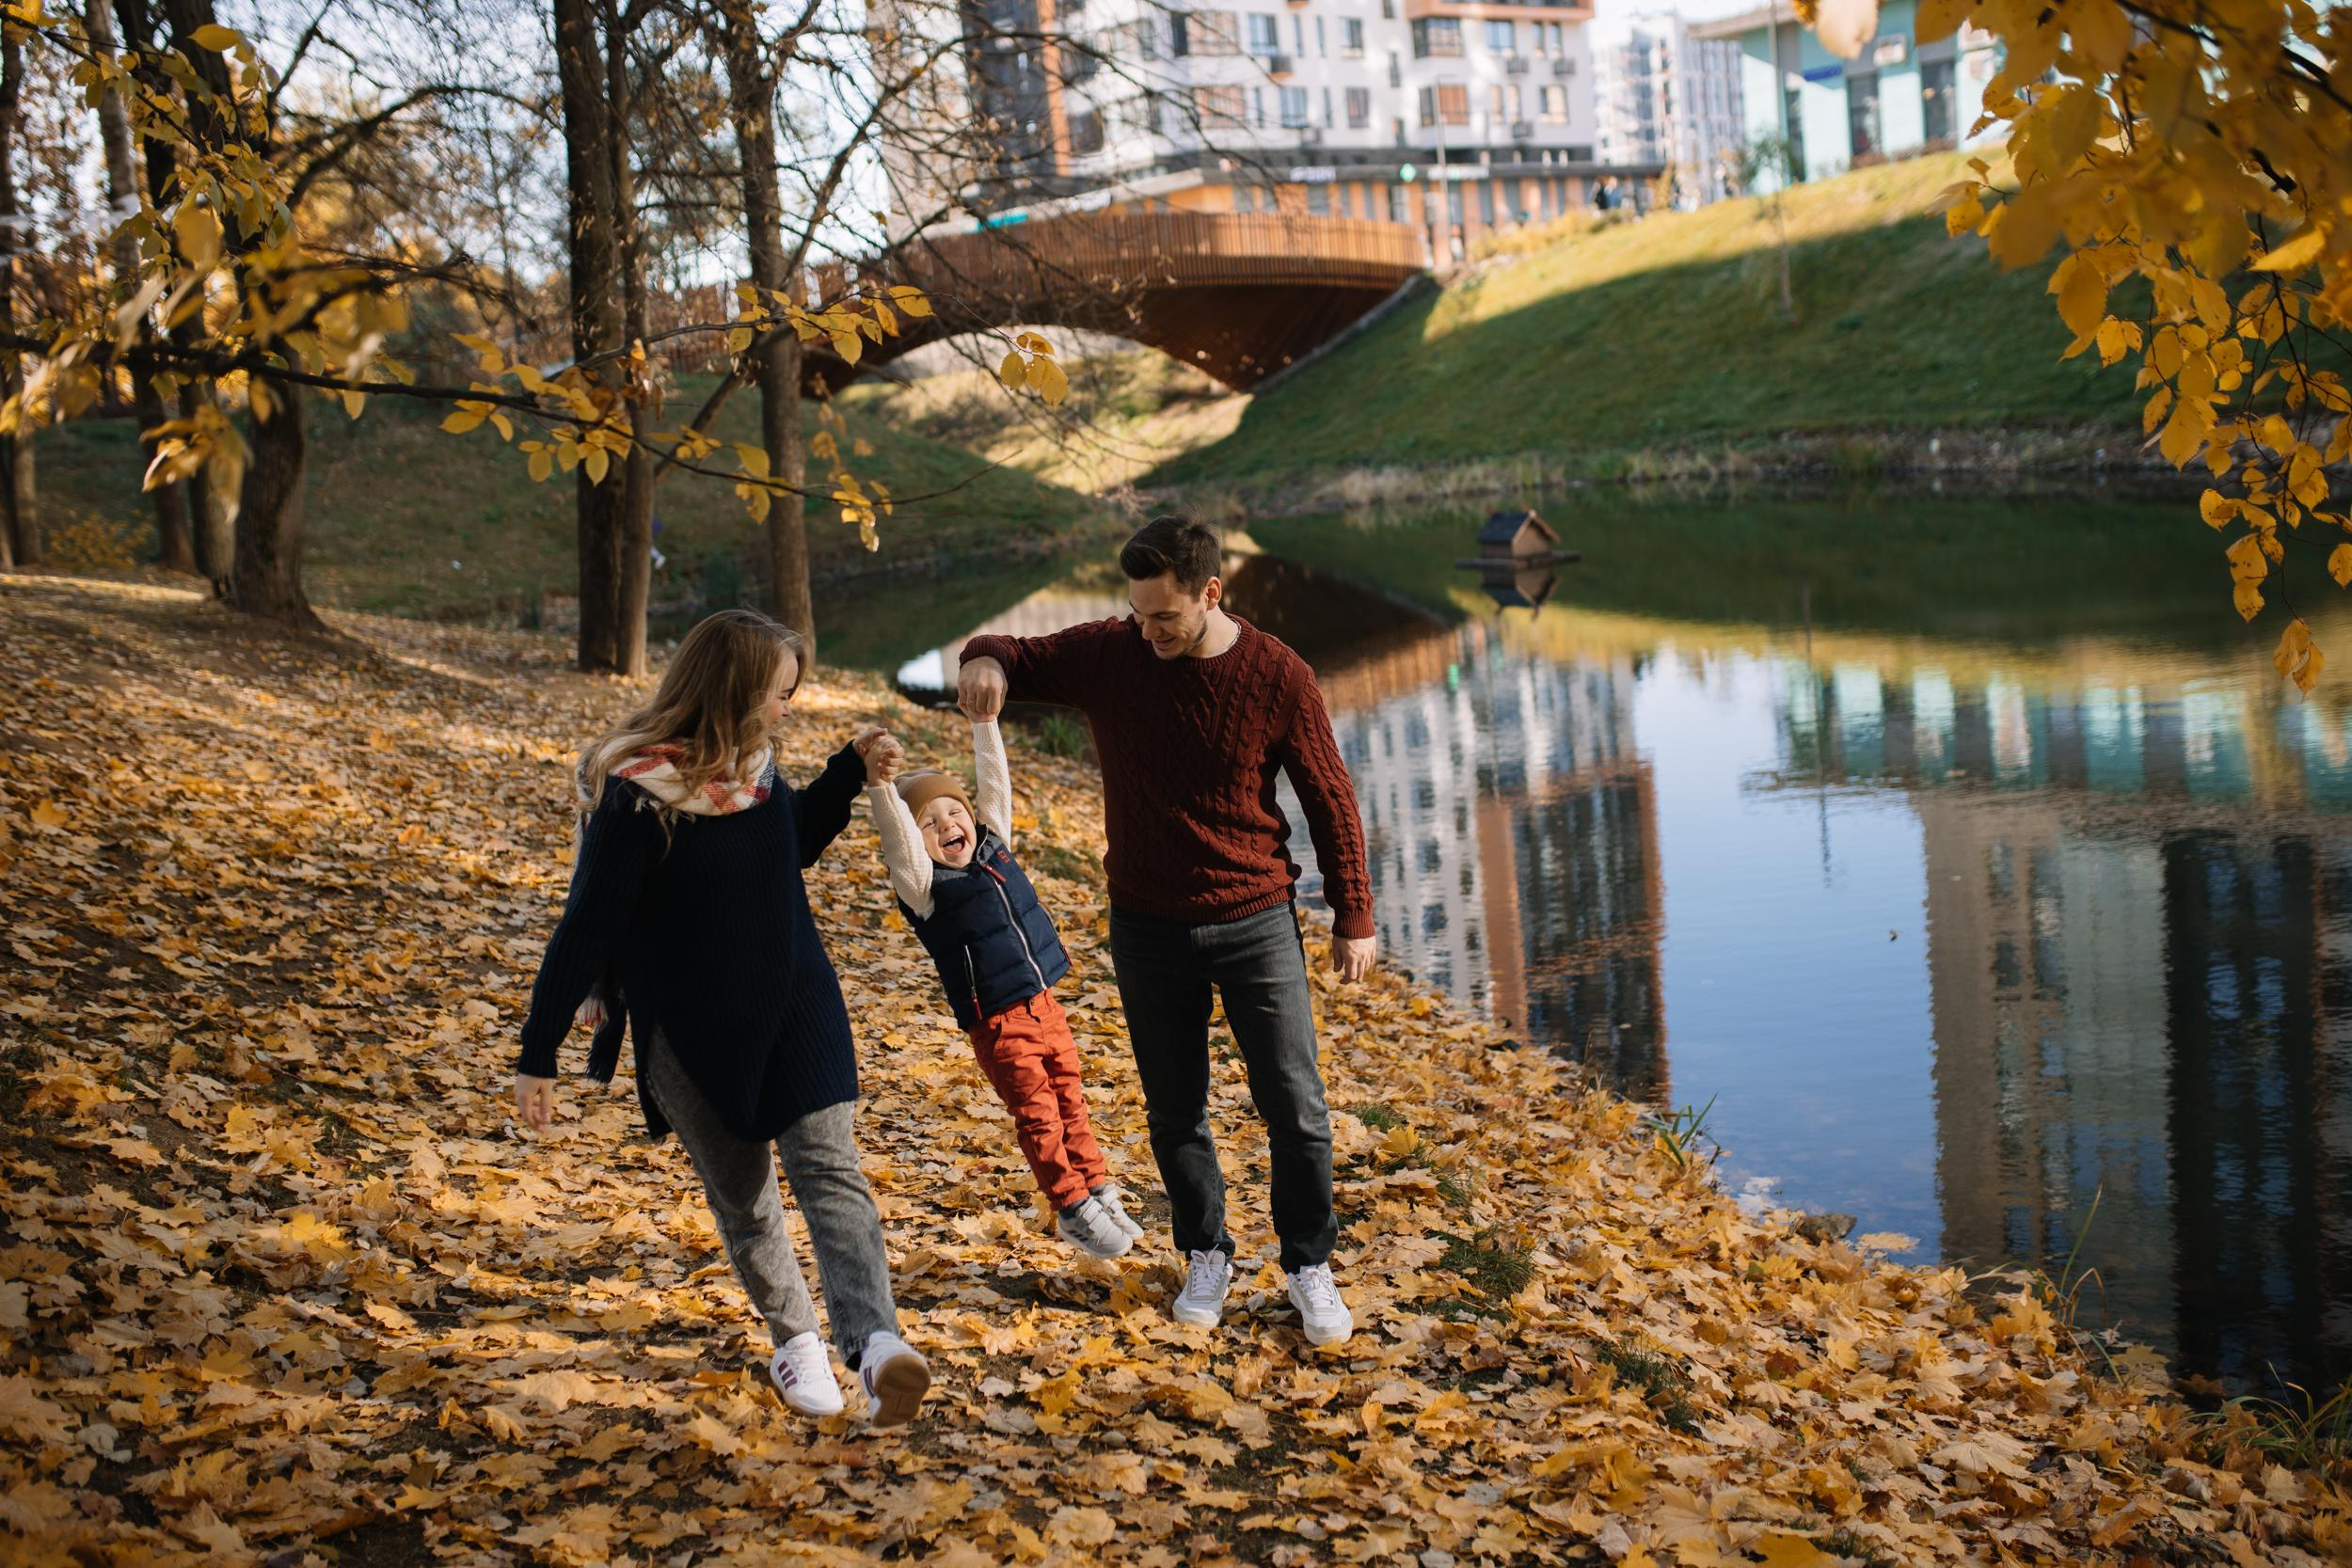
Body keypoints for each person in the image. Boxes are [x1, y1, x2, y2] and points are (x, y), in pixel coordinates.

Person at [957, 515, 1376, 1347]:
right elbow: (1013, 650)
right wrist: (982, 659)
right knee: (1175, 1109)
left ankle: (1307, 1262)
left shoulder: (1278, 675)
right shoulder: (1115, 652)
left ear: (1210, 594)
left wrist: (1353, 912)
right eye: (1137, 614)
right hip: (1147, 925)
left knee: (1295, 1106)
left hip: (1256, 919)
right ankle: (1206, 1251)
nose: (1147, 633)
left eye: (1165, 619)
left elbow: (1330, 795)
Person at [512, 608, 931, 1427]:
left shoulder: (759, 768)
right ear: (734, 691)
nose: (786, 709)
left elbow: (784, 846)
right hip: (692, 1031)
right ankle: (798, 1341)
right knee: (746, 1200)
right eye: (779, 694)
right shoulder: (641, 795)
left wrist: (848, 770)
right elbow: (589, 925)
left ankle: (876, 1344)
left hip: (795, 1003)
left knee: (830, 1170)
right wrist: (539, 1051)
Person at [865, 717, 1144, 1261]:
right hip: (998, 1022)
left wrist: (985, 722)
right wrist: (881, 788)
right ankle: (1072, 1208)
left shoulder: (995, 848)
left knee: (1072, 1104)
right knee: (1039, 1115)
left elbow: (995, 783)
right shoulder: (925, 889)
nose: (948, 824)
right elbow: (899, 844)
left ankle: (1099, 1190)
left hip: (1044, 1004)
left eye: (954, 812)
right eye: (929, 822)